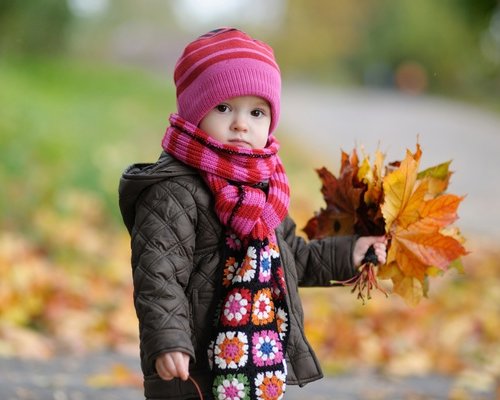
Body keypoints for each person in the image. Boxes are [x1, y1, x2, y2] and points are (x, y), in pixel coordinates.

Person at [118, 27, 387, 400]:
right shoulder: (173, 190)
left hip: (255, 360)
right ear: (194, 112)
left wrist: (350, 253)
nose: (241, 123)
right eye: (224, 107)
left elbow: (292, 258)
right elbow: (159, 274)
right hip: (194, 361)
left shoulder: (264, 190)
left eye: (257, 112)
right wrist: (168, 341)